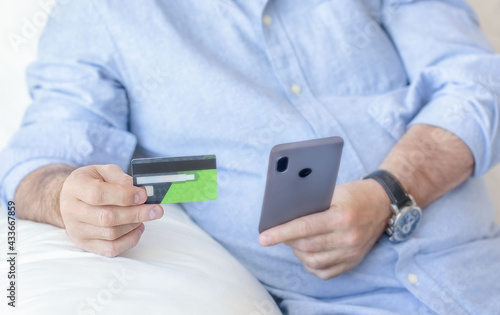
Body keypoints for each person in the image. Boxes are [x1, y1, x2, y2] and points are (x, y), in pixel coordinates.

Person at [1, 0, 500, 313]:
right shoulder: (101, 15)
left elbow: (479, 84)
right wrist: (67, 197)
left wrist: (387, 193)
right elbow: (46, 152)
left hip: (482, 273)